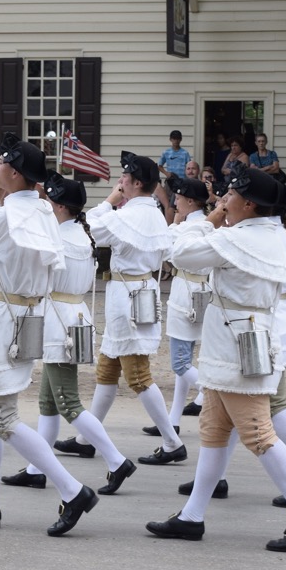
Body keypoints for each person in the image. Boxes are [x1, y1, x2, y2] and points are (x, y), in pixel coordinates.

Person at [146, 167, 286, 551]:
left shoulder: (240, 238)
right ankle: (192, 516)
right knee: (213, 429)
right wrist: (220, 219)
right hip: (234, 341)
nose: (224, 202)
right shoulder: (270, 232)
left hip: (236, 346)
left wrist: (209, 220)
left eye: (231, 198)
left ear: (250, 204)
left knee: (259, 433)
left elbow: (181, 253)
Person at [0, 134, 97, 536]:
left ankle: (72, 488)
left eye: (1, 165)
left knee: (2, 417)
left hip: (6, 318)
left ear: (13, 172)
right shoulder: (43, 210)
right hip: (25, 313)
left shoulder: (5, 212)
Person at [2, 172, 138, 495]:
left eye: (50, 200)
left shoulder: (58, 237)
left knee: (68, 403)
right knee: (48, 402)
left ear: (60, 206)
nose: (46, 204)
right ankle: (37, 468)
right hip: (74, 317)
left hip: (58, 324)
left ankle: (117, 460)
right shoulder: (81, 233)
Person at [54, 152, 187, 465]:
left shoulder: (131, 214)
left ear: (137, 182)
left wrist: (109, 200)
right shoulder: (151, 210)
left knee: (138, 374)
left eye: (125, 176)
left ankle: (171, 441)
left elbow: (88, 228)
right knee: (108, 368)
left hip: (129, 296)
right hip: (132, 291)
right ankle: (87, 438)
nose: (120, 180)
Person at [149, 176, 212, 437]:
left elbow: (165, 250)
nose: (174, 201)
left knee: (180, 363)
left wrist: (174, 225)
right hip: (201, 291)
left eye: (178, 197)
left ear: (189, 201)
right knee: (186, 356)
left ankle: (210, 391)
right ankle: (172, 420)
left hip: (185, 293)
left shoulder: (188, 228)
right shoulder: (208, 226)